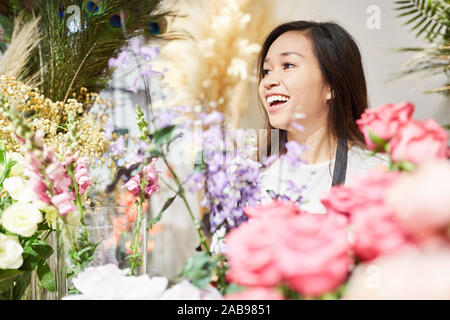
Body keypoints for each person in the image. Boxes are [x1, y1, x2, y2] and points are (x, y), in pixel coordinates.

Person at [258, 20, 388, 213]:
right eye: (266, 71)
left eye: (288, 65)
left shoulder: (376, 175)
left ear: (331, 86)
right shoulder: (253, 178)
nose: (269, 81)